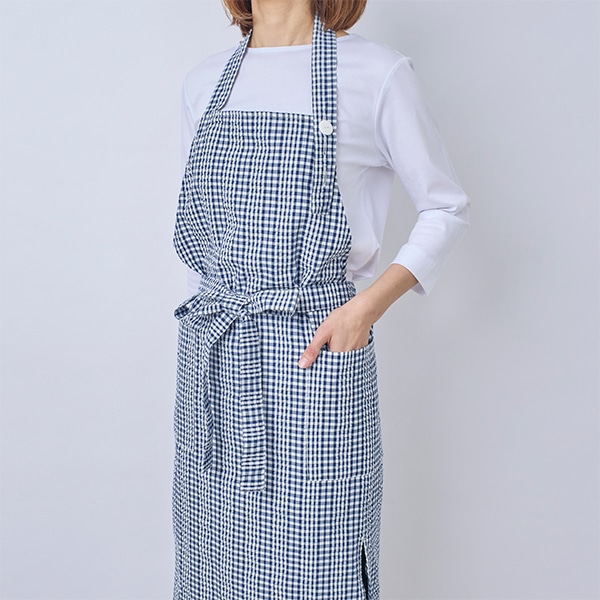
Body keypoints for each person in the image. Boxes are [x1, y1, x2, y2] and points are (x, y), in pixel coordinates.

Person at [171, 0, 470, 598]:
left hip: (316, 351)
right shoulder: (204, 81)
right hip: (217, 356)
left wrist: (366, 308)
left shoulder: (377, 73)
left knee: (319, 563)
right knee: (214, 563)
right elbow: (207, 239)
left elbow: (445, 207)